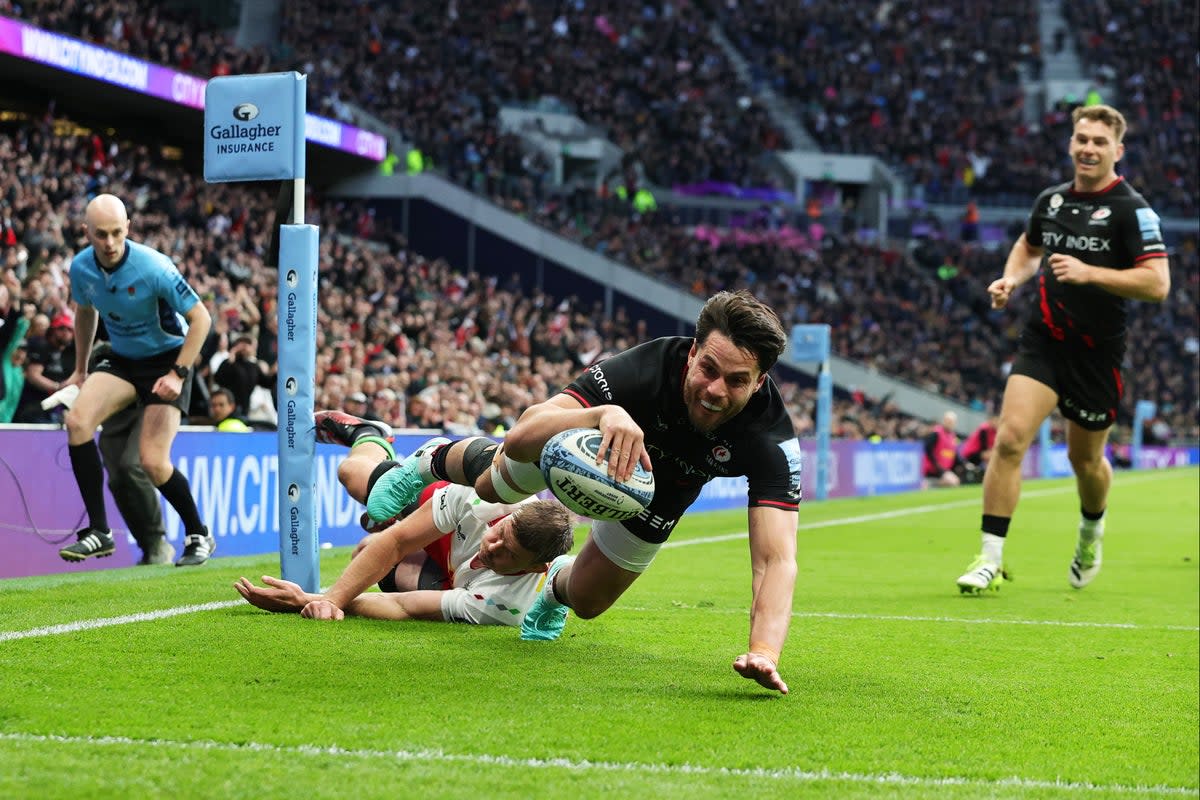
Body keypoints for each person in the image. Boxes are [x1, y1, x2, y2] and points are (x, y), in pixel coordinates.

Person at [366, 290, 801, 694]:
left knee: (590, 602)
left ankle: (553, 587)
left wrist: (763, 651)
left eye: (737, 381)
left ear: (760, 382)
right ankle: (427, 462)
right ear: (692, 352)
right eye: (708, 368)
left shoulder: (772, 440)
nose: (715, 391)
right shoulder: (643, 370)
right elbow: (522, 434)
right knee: (493, 484)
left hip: (662, 489)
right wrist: (602, 414)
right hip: (586, 444)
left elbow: (775, 559)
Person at [955, 105, 1170, 594]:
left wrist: (1090, 272)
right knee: (1010, 439)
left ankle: (1091, 529)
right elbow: (1030, 247)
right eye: (1082, 139)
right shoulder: (1051, 202)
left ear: (1118, 150)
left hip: (1097, 354)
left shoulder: (1132, 210)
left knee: (1086, 462)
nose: (1089, 148)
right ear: (1071, 143)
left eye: (1099, 141)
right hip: (1044, 342)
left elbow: (1158, 284)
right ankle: (989, 558)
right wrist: (1011, 277)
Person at [234, 410, 575, 626]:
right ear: (509, 515)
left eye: (508, 553)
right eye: (502, 531)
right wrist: (330, 600)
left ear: (534, 568)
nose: (492, 545)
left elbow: (405, 606)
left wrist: (306, 601)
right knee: (351, 474)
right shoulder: (481, 497)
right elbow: (396, 543)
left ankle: (401, 523)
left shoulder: (502, 605)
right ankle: (372, 434)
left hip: (454, 576)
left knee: (369, 555)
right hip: (449, 501)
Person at [57, 194, 215, 567]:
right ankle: (99, 531)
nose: (109, 243)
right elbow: (84, 312)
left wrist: (178, 373)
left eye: (116, 233)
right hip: (123, 359)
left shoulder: (153, 266)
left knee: (153, 463)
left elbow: (202, 319)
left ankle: (199, 533)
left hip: (167, 361)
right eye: (100, 235)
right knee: (77, 422)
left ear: (128, 228)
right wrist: (80, 370)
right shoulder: (81, 268)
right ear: (86, 233)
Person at [921, 410, 962, 488]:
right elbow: (928, 451)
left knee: (955, 481)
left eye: (952, 422)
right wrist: (940, 469)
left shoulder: (952, 436)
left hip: (944, 471)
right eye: (948, 421)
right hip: (932, 472)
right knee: (953, 482)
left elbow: (954, 454)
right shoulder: (936, 433)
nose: (950, 423)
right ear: (944, 421)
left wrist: (964, 464)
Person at [958, 415, 999, 483]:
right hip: (971, 454)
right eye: (995, 420)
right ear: (990, 420)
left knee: (993, 455)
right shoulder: (984, 429)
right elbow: (984, 447)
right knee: (991, 456)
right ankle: (992, 478)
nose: (996, 423)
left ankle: (991, 476)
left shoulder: (994, 431)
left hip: (979, 454)